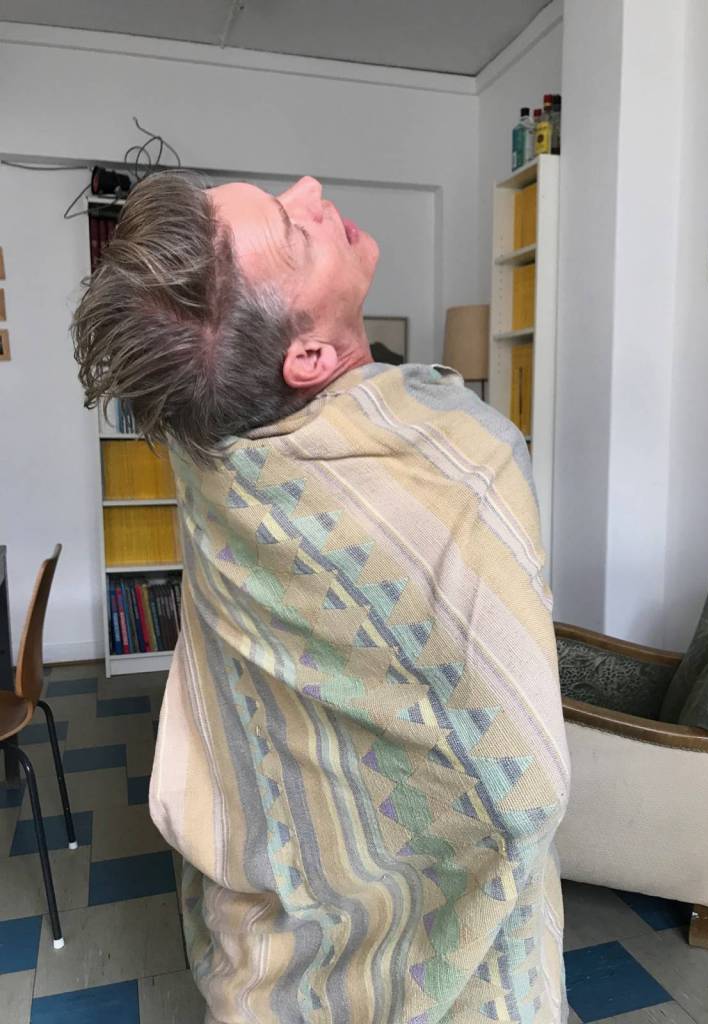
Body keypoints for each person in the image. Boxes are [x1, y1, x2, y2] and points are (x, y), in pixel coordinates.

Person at [72, 173, 570, 1024]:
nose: (310, 188)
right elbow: (522, 787)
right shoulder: (469, 460)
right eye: (292, 228)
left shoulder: (207, 442)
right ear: (305, 360)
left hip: (267, 966)